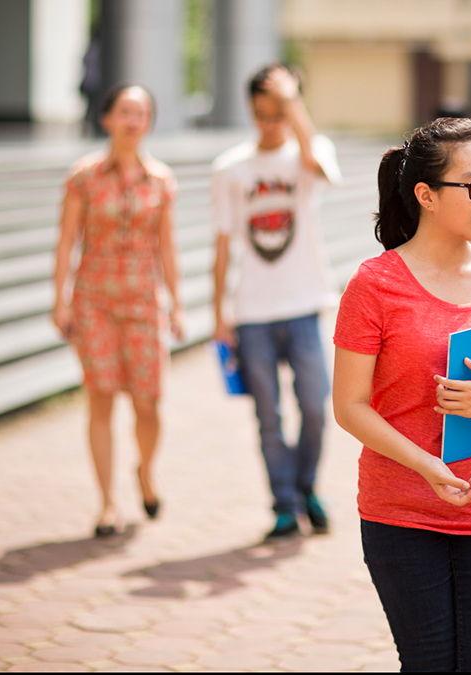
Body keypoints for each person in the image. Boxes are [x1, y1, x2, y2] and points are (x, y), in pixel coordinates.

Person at [333, 117, 471, 671]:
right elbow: (349, 405)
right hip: (400, 511)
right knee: (427, 663)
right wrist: (427, 465)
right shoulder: (374, 284)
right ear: (426, 195)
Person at [211, 64, 341, 541]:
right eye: (263, 113)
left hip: (304, 303)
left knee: (314, 405)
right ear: (251, 111)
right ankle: (284, 505)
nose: (272, 123)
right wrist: (219, 314)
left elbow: (318, 168)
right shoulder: (230, 168)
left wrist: (293, 104)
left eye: (280, 112)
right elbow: (222, 244)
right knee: (268, 416)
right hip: (252, 312)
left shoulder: (309, 151)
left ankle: (306, 487)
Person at [52, 84, 183, 538]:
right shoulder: (84, 177)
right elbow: (67, 241)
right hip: (94, 302)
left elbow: (167, 245)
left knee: (149, 402)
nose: (133, 121)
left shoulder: (161, 180)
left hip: (144, 302)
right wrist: (60, 299)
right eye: (125, 111)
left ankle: (145, 471)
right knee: (101, 397)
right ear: (107, 118)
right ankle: (107, 502)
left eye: (141, 113)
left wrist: (177, 304)